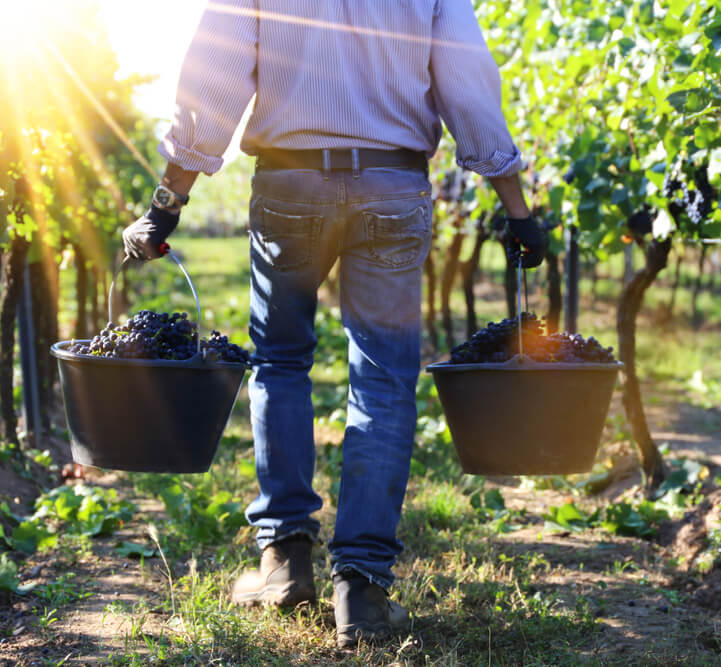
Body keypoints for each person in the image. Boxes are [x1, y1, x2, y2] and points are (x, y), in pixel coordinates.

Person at [121, 0, 546, 649]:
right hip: (393, 184)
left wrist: (168, 202)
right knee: (381, 379)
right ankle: (363, 591)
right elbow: (468, 85)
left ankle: (285, 561)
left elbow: (215, 75)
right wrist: (517, 208)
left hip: (289, 186)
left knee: (281, 361)